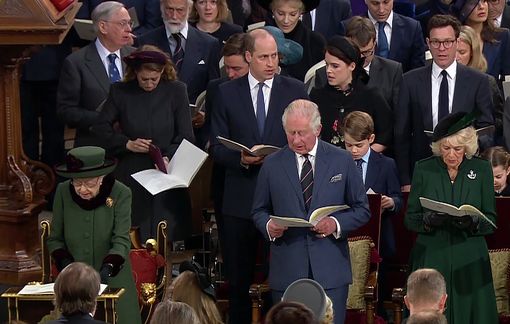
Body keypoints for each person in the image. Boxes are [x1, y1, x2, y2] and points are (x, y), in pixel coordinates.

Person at [210, 28, 308, 323]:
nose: (270, 63)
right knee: (239, 282)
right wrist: (240, 157)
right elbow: (215, 145)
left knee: (281, 281)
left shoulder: (295, 90)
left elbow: (307, 141)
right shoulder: (225, 92)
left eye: (275, 56)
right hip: (239, 200)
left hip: (282, 201)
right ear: (248, 57)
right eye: (264, 56)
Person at [252, 99, 371, 324]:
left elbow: (362, 209)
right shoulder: (272, 164)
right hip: (287, 269)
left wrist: (334, 224)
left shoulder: (342, 160)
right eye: (291, 133)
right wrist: (269, 226)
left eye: (302, 133)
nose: (296, 140)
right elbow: (259, 210)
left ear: (317, 129)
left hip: (330, 270)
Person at [92, 45, 194, 241]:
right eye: (144, 79)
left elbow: (186, 136)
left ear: (162, 71)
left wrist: (168, 156)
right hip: (132, 170)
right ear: (135, 73)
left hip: (166, 170)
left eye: (154, 79)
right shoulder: (120, 91)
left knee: (167, 232)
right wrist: (126, 144)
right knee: (133, 231)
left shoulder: (176, 90)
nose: (149, 84)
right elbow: (99, 128)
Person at [405, 112, 498, 323]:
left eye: (458, 149)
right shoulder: (424, 168)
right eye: (446, 148)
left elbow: (491, 221)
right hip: (432, 253)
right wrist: (427, 220)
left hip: (470, 257)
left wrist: (473, 222)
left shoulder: (482, 169)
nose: (451, 155)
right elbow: (410, 219)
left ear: (468, 147)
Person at [394, 14, 494, 189]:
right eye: (436, 42)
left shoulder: (478, 81)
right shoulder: (409, 81)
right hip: (422, 172)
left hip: (465, 172)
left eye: (447, 42)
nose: (442, 48)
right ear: (427, 42)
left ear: (457, 42)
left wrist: (466, 146)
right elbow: (401, 134)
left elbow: (486, 127)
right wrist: (405, 181)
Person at [47, 146, 141, 324]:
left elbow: (121, 239)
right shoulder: (62, 192)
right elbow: (55, 239)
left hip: (113, 280)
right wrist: (67, 267)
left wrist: (107, 270)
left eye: (89, 183)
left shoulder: (121, 193)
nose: (82, 189)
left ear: (102, 178)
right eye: (77, 183)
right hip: (73, 289)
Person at [57, 1, 135, 148]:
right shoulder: (76, 62)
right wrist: (105, 118)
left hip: (131, 146)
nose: (129, 29)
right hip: (93, 146)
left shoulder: (135, 57)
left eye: (130, 23)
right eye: (122, 23)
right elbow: (66, 112)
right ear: (102, 26)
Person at [309, 36, 392, 152]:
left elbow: (386, 136)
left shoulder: (371, 96)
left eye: (335, 66)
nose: (328, 70)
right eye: (327, 65)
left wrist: (362, 156)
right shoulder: (316, 97)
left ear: (352, 66)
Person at [136, 0, 221, 104]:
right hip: (155, 113)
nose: (174, 16)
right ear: (161, 10)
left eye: (180, 10)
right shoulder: (145, 41)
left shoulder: (209, 44)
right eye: (169, 9)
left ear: (189, 10)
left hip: (193, 117)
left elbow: (213, 88)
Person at [315, 16, 403, 114]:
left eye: (366, 52)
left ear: (374, 44)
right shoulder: (323, 74)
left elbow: (398, 115)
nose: (361, 57)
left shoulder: (393, 71)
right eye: (356, 52)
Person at [340, 0, 425, 72]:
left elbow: (418, 71)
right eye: (375, 3)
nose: (381, 10)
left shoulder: (412, 28)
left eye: (386, 2)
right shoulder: (347, 27)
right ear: (365, 1)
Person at [456, 25, 504, 143]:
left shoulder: (487, 82)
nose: (456, 58)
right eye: (453, 52)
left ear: (473, 53)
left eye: (462, 52)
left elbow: (500, 121)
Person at [257, 0, 326, 81]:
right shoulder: (257, 40)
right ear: (273, 11)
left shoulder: (315, 42)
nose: (286, 20)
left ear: (301, 12)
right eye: (280, 13)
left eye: (293, 14)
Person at [451, 0, 510, 79]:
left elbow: (507, 76)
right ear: (462, 8)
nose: (481, 7)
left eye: (484, 1)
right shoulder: (453, 39)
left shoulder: (502, 36)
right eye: (474, 3)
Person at [77, 0, 163, 36]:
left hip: (134, 46)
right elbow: (82, 20)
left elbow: (153, 25)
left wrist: (132, 37)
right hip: (96, 44)